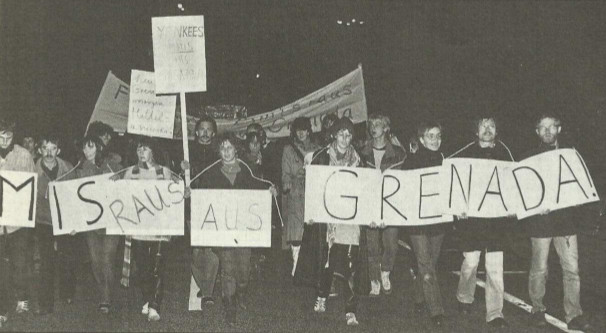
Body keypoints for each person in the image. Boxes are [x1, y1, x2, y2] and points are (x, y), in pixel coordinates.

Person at [189, 133, 277, 326]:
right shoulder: (211, 173)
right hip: (223, 232)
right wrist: (191, 194)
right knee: (227, 268)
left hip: (244, 232)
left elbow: (259, 189)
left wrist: (269, 191)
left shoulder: (248, 171)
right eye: (222, 148)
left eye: (230, 147)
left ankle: (241, 291)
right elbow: (202, 197)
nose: (226, 151)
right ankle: (229, 307)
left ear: (237, 149)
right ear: (218, 151)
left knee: (243, 270)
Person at [295, 117, 367, 326]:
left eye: (349, 134)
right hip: (327, 221)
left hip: (350, 220)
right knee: (327, 261)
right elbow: (313, 186)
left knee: (350, 263)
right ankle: (322, 295)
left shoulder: (359, 160)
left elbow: (366, 189)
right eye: (341, 133)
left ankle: (351, 310)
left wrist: (371, 215)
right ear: (334, 134)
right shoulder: (321, 156)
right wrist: (311, 212)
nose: (345, 138)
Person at [523, 114, 592, 331]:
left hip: (565, 223)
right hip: (540, 223)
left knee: (571, 269)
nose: (547, 131)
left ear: (559, 129)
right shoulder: (529, 158)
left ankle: (574, 314)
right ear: (537, 132)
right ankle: (537, 309)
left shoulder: (570, 155)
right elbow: (523, 191)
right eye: (542, 127)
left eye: (551, 127)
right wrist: (535, 206)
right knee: (539, 268)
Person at [450, 116, 515, 328]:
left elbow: (515, 183)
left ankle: (495, 312)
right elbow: (452, 178)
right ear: (476, 131)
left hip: (496, 222)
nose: (487, 129)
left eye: (492, 126)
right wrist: (458, 208)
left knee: (495, 266)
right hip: (472, 221)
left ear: (497, 131)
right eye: (483, 125)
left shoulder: (505, 153)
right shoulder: (464, 153)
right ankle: (464, 297)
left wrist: (513, 207)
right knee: (470, 262)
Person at [113, 136, 179, 322]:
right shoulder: (129, 173)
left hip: (160, 229)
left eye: (146, 149)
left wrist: (185, 187)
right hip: (139, 229)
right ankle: (148, 297)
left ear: (154, 151)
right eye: (139, 149)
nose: (142, 152)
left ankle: (154, 305)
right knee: (143, 268)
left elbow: (177, 194)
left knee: (157, 266)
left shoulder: (164, 172)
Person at [404, 121, 447, 327]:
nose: (436, 140)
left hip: (438, 221)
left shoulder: (445, 161)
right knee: (425, 263)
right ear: (421, 139)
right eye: (431, 136)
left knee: (431, 261)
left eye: (438, 136)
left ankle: (419, 298)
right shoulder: (411, 162)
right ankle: (436, 309)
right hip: (418, 222)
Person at [358, 114, 406, 296]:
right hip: (370, 203)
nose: (374, 127)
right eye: (371, 124)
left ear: (386, 128)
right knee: (371, 245)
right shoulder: (362, 153)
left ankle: (385, 271)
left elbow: (406, 180)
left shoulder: (399, 153)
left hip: (390, 204)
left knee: (391, 244)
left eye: (378, 124)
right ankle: (375, 280)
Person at [75, 135, 122, 314]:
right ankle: (105, 290)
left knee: (108, 258)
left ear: (99, 148)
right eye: (84, 148)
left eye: (91, 146)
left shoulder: (113, 165)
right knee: (95, 260)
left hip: (111, 220)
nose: (87, 151)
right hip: (92, 222)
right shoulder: (79, 168)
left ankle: (106, 296)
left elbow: (123, 187)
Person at [34, 134, 78, 315]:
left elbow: (76, 196)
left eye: (53, 148)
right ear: (39, 150)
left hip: (64, 219)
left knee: (67, 258)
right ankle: (45, 302)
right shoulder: (32, 170)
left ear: (58, 150)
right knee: (46, 261)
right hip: (43, 220)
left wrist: (75, 221)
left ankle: (67, 291)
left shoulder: (68, 167)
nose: (49, 152)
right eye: (46, 148)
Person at [0, 117, 36, 327]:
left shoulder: (23, 155)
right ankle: (2, 307)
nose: (5, 141)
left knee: (19, 263)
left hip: (17, 221)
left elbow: (30, 183)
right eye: (1, 137)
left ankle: (22, 297)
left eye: (9, 137)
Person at [184, 116, 221, 306]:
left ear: (213, 133)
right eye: (202, 129)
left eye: (209, 129)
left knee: (212, 249)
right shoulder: (186, 152)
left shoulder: (219, 154)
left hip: (214, 206)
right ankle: (200, 282)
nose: (205, 133)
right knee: (198, 249)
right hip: (193, 207)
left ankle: (208, 291)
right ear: (196, 132)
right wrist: (183, 171)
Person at [281, 117, 319, 276]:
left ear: (309, 130)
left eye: (304, 129)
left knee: (311, 227)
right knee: (296, 228)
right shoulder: (289, 149)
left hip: (312, 191)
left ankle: (310, 264)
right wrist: (287, 183)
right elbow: (285, 172)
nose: (301, 133)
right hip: (296, 192)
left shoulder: (317, 148)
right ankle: (296, 263)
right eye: (298, 130)